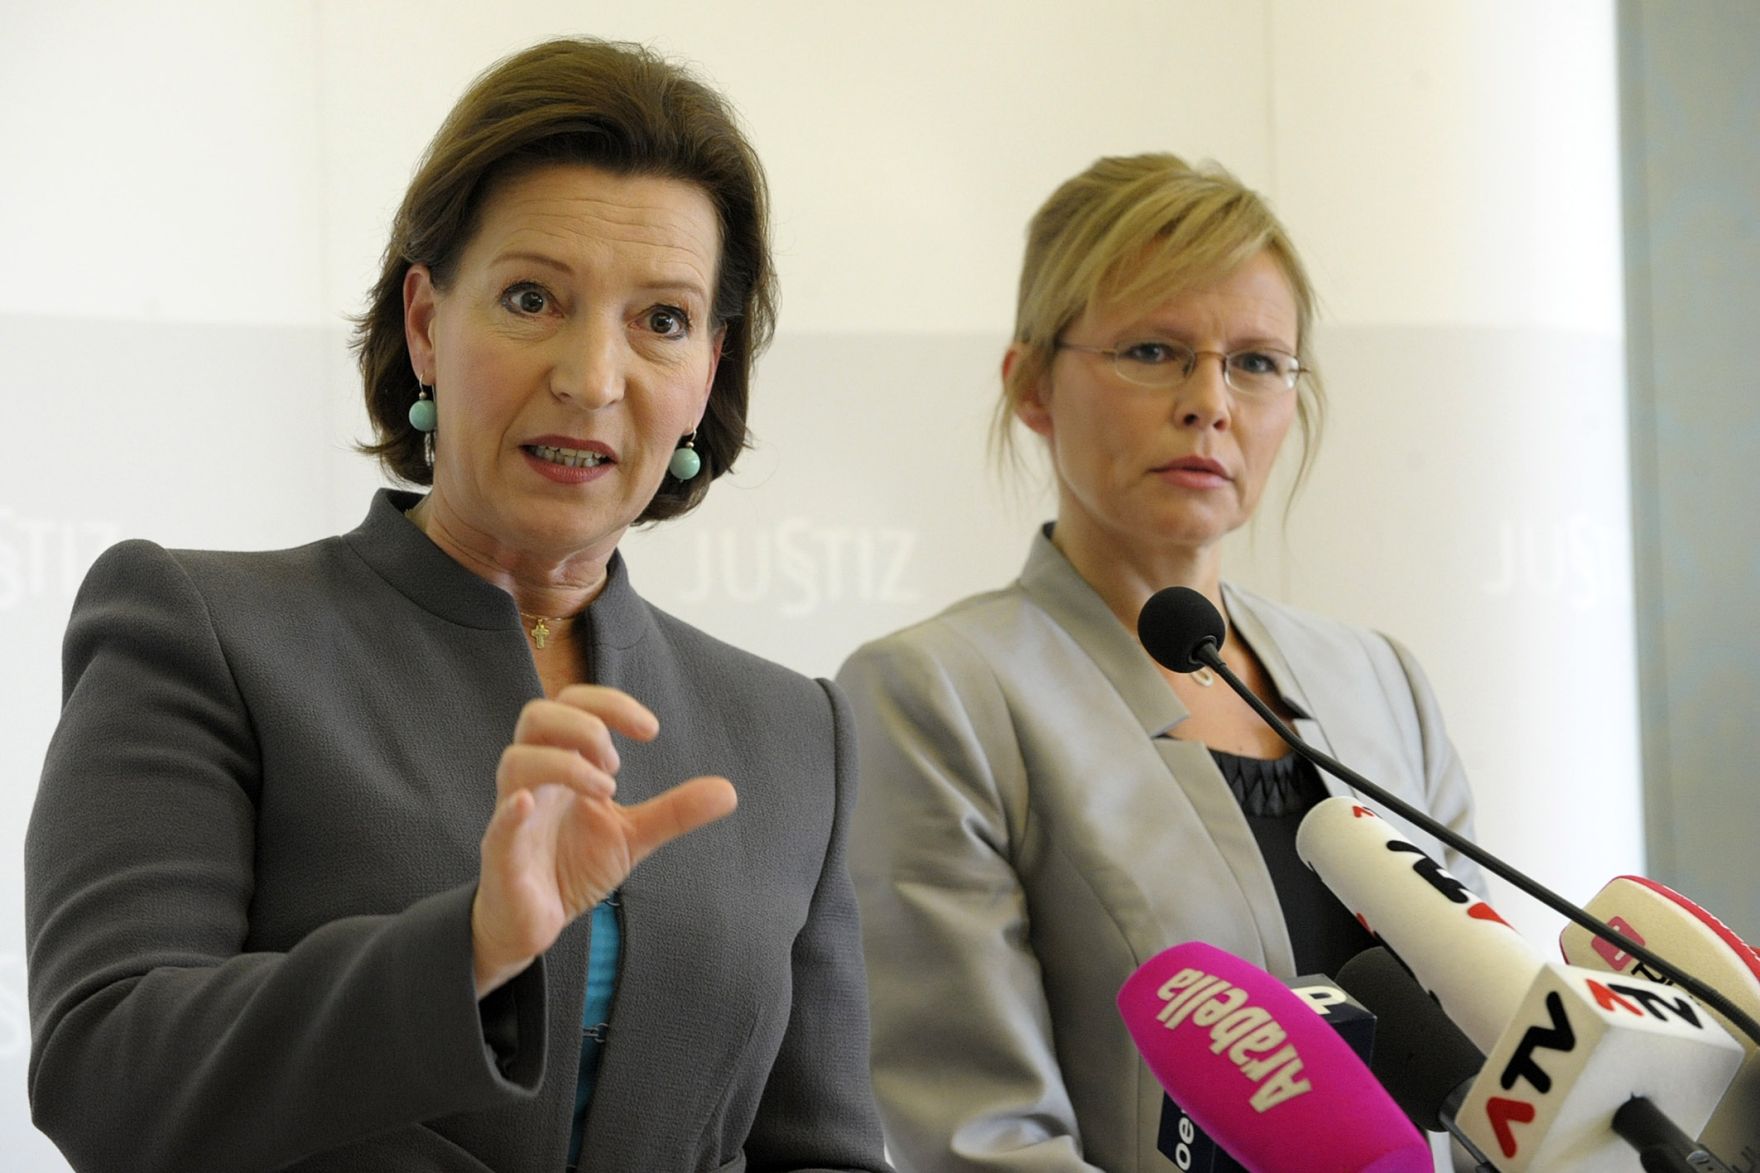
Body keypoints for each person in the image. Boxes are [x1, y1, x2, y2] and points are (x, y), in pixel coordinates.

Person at [25, 37, 887, 1173]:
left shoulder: (792, 734)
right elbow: (107, 1077)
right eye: (532, 299)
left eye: (662, 320)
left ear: (710, 372)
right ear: (427, 323)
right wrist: (469, 950)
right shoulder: (199, 630)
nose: (592, 377)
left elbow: (821, 1151)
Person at [837, 153, 1484, 1171]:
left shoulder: (1380, 683)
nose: (1209, 402)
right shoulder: (933, 695)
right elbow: (978, 1140)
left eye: (1256, 362)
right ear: (1031, 388)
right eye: (1152, 351)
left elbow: (1491, 1074)